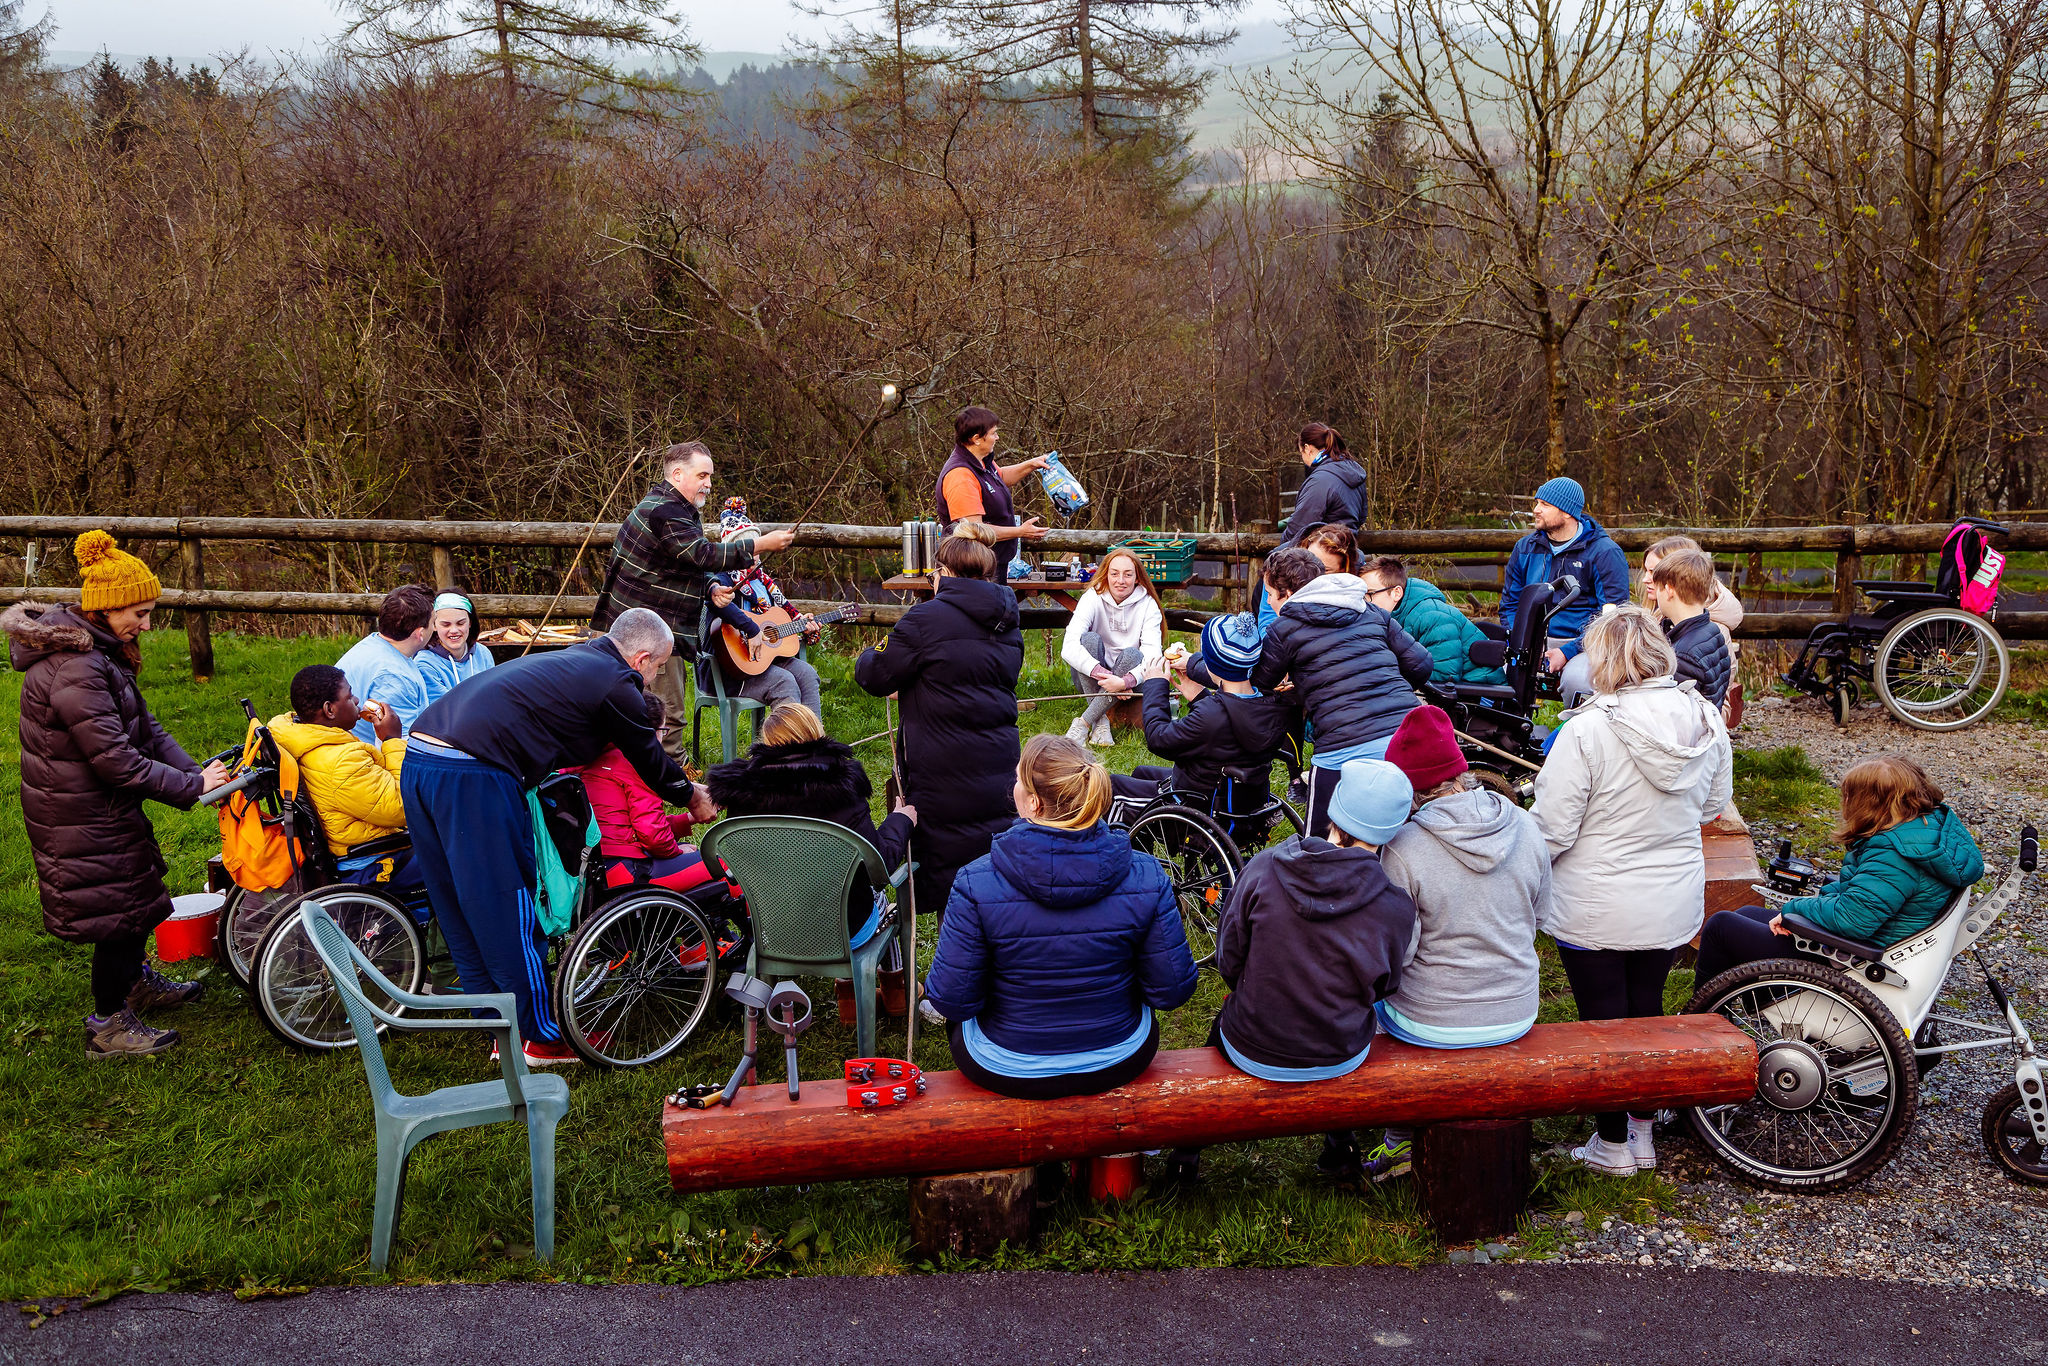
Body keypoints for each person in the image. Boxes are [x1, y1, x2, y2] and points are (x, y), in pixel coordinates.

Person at [401, 607, 717, 1066]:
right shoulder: (616, 682)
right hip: (475, 773)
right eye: (659, 667)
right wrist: (691, 795)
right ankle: (544, 1037)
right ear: (642, 658)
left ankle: (496, 1024)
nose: (653, 679)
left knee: (456, 903)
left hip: (420, 755)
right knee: (506, 906)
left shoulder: (577, 659)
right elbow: (648, 757)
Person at [4, 531, 228, 1059]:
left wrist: (196, 771)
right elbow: (115, 760)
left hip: (96, 805)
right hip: (77, 811)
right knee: (118, 911)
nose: (147, 624)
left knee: (136, 898)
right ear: (105, 610)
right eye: (140, 613)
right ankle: (107, 1026)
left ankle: (133, 987)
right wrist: (192, 789)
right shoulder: (77, 668)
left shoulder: (101, 653)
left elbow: (145, 729)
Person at [1532, 605, 1732, 1176]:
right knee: (1646, 1008)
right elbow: (1714, 806)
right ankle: (1643, 1130)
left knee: (1602, 1021)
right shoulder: (1704, 719)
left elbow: (1553, 829)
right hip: (1669, 894)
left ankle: (1612, 1141)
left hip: (1595, 899)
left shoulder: (1587, 730)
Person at [922, 734, 1198, 1098]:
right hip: (1119, 1057)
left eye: (1019, 779)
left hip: (1008, 1065)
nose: (1014, 786)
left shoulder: (975, 881)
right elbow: (1172, 990)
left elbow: (952, 1000)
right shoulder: (1147, 874)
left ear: (1034, 803)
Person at [1205, 757, 1417, 1184]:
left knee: (1217, 1029)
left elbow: (1228, 958)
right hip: (1340, 1052)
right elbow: (1385, 986)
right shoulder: (1395, 906)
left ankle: (1186, 1154)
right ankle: (1340, 1150)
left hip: (1251, 1043)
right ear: (1393, 830)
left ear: (1333, 813)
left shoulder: (1264, 868)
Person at [1364, 705, 1550, 1182]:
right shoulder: (1526, 827)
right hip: (1517, 1011)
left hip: (1434, 1021)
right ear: (1461, 773)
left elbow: (1397, 956)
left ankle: (1398, 1140)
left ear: (1410, 789)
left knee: (1372, 1010)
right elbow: (1540, 916)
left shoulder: (1403, 848)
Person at [707, 702, 918, 1018]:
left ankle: (850, 998)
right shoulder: (842, 788)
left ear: (767, 742)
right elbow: (882, 865)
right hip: (846, 930)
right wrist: (900, 820)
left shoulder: (741, 795)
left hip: (773, 929)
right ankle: (893, 993)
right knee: (880, 901)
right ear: (816, 732)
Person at [591, 441, 796, 761]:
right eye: (702, 475)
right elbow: (702, 553)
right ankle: (674, 767)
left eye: (710, 476)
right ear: (677, 474)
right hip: (648, 626)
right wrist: (758, 544)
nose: (709, 484)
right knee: (665, 706)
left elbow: (685, 561)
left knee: (640, 701)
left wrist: (712, 587)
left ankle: (638, 762)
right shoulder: (667, 510)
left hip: (638, 623)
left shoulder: (672, 508)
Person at [1696, 756, 1983, 985]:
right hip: (1877, 943)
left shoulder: (1894, 853)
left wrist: (1798, 907)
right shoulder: (1924, 831)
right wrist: (1820, 902)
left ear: (1867, 804)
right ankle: (1738, 1006)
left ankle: (1701, 1025)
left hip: (1852, 959)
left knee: (1721, 927)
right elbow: (1866, 896)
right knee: (1746, 915)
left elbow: (1854, 920)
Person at [855, 535, 1024, 922]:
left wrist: (874, 655)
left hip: (940, 760)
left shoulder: (924, 619)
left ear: (944, 572)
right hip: (998, 757)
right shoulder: (1008, 621)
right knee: (989, 844)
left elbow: (875, 674)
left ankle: (953, 936)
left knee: (945, 848)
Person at [1252, 546, 1433, 840]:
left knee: (1318, 842)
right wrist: (1384, 687)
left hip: (1342, 746)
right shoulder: (1370, 610)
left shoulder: (1284, 629)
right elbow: (1422, 664)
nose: (1269, 602)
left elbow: (1261, 683)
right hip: (1405, 736)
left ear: (1286, 593)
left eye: (1270, 594)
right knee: (1403, 837)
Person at [1116, 613, 1296, 841]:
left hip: (1198, 809)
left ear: (1211, 662)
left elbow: (1158, 739)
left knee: (1111, 787)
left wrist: (1155, 684)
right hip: (1238, 806)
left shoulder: (1212, 714)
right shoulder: (1267, 704)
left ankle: (1131, 864)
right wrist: (1196, 693)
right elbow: (1228, 724)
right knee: (1142, 773)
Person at [271, 665, 425, 901]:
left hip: (354, 841)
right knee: (466, 854)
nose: (356, 700)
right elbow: (404, 808)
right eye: (349, 695)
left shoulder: (306, 738)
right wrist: (393, 739)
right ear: (330, 709)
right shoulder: (341, 760)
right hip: (373, 863)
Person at [1500, 477, 1631, 708]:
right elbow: (1511, 604)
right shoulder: (1525, 548)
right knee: (1495, 674)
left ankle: (1573, 737)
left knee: (1577, 681)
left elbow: (1612, 619)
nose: (1536, 510)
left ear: (1568, 513)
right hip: (1529, 640)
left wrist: (1568, 651)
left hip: (1583, 644)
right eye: (1537, 502)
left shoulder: (1604, 553)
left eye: (1545, 505)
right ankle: (1508, 737)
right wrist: (1522, 641)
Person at [567, 694, 715, 895]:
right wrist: (677, 852)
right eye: (663, 731)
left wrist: (687, 820)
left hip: (592, 871)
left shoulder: (589, 756)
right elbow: (653, 836)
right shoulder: (637, 763)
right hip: (627, 872)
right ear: (651, 733)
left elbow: (630, 829)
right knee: (725, 860)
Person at [704, 497, 824, 715]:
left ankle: (814, 741)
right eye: (748, 548)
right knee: (784, 682)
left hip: (766, 662)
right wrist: (752, 629)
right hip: (730, 670)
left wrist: (802, 625)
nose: (754, 555)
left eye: (756, 548)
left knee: (807, 674)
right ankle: (786, 747)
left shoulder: (763, 583)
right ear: (733, 550)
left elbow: (778, 621)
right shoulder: (721, 580)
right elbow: (717, 605)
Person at [1061, 546, 1164, 747]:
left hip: (1133, 680)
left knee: (1134, 654)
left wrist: (1125, 681)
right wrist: (1105, 677)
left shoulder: (1148, 604)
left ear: (1137, 578)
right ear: (1106, 575)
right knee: (1088, 640)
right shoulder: (1092, 597)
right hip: (1092, 679)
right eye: (1114, 574)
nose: (1120, 580)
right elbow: (1069, 646)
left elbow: (1153, 655)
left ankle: (1083, 723)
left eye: (1127, 575)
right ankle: (1100, 721)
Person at [934, 405, 1049, 579]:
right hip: (971, 571)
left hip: (990, 564)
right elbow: (975, 529)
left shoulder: (981, 461)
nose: (997, 437)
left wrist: (1031, 464)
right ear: (977, 439)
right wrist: (1020, 531)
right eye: (993, 433)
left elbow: (1000, 477)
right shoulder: (960, 475)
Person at [1362, 556, 1506, 686]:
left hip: (1482, 693)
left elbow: (1445, 675)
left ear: (1396, 593)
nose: (1364, 602)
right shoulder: (1399, 614)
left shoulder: (1431, 616)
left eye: (1369, 594)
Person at [335, 584, 436, 743]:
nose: (435, 627)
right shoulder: (393, 677)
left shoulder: (376, 644)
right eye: (433, 622)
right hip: (366, 760)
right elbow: (399, 746)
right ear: (420, 634)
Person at [1644, 548, 1734, 707]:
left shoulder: (1684, 657)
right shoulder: (1712, 630)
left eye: (1658, 588)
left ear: (1669, 590)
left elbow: (1673, 714)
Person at [1279, 422, 1369, 551]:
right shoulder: (1353, 472)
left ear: (1307, 448)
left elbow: (1298, 529)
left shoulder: (1320, 481)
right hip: (1348, 553)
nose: (1303, 458)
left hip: (1323, 554)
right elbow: (1361, 517)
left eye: (1301, 452)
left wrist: (1278, 552)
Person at [1643, 534, 1743, 642]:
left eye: (1653, 572)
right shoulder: (1665, 617)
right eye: (1646, 570)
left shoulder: (1709, 631)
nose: (1645, 579)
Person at [415, 591, 495, 705]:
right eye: (446, 625)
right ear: (434, 625)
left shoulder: (483, 653)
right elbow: (443, 709)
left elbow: (493, 695)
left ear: (470, 622)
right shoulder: (425, 663)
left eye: (460, 623)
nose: (454, 630)